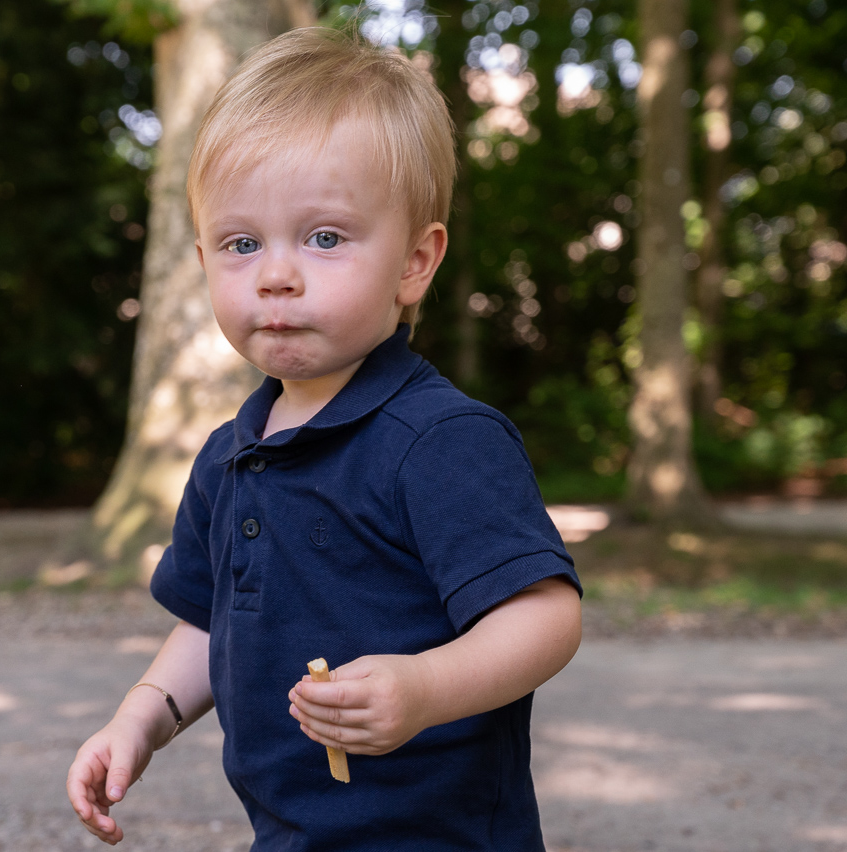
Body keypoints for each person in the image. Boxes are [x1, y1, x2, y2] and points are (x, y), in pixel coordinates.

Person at [67, 26, 582, 851]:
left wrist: (424, 687)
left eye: (325, 237)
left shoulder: (440, 439)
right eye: (242, 244)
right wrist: (142, 716)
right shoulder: (230, 456)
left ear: (414, 262)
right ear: (202, 259)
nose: (277, 274)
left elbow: (545, 616)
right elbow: (208, 622)